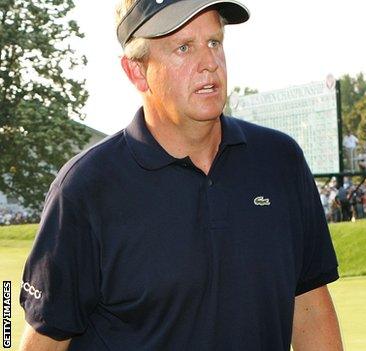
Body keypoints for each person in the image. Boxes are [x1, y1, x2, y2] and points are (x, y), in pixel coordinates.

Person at [19, 1, 342, 350]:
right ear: (137, 72)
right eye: (184, 48)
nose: (209, 63)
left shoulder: (280, 161)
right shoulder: (85, 189)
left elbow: (309, 307)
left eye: (214, 42)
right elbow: (44, 340)